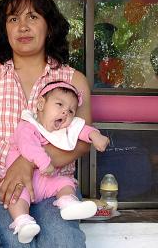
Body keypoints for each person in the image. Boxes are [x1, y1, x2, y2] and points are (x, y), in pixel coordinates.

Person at [0, 0, 93, 247]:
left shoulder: (73, 80)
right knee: (17, 242)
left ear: (49, 27)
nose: (22, 26)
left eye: (32, 17)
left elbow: (82, 141)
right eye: (13, 19)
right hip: (0, 182)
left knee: (64, 242)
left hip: (54, 184)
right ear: (4, 28)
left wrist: (27, 163)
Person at [6, 81, 109, 243]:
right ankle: (23, 221)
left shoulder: (64, 128)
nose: (65, 112)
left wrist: (96, 136)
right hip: (24, 180)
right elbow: (28, 146)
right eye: (59, 104)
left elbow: (81, 129)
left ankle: (68, 203)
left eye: (70, 111)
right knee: (16, 196)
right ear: (41, 104)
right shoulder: (27, 126)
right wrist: (43, 161)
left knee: (65, 182)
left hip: (47, 181)